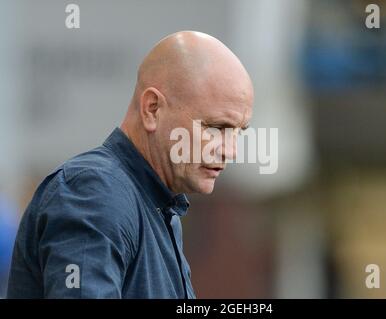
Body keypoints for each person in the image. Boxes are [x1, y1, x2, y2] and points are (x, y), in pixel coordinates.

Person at [7, 31, 253, 298]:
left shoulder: (157, 206)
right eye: (216, 127)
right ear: (152, 109)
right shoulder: (97, 193)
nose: (231, 151)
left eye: (238, 132)